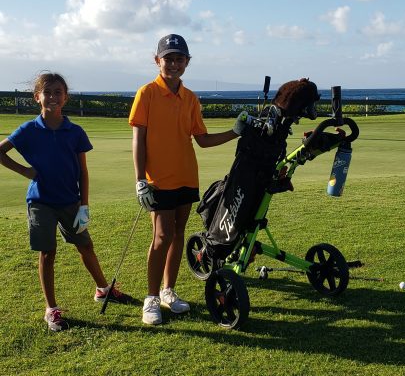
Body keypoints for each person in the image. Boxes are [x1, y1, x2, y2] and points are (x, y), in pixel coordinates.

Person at [0, 72, 132, 332]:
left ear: (66, 96)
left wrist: (84, 204)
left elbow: (83, 171)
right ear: (37, 97)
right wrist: (24, 171)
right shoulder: (28, 129)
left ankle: (103, 289)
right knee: (48, 252)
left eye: (58, 92)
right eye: (47, 92)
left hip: (70, 201)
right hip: (41, 201)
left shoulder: (75, 131)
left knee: (86, 246)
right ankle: (51, 309)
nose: (52, 97)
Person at [129, 34, 246, 325]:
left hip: (185, 176)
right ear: (157, 61)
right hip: (157, 180)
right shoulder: (146, 93)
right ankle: (151, 298)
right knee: (161, 237)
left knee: (178, 234)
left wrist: (235, 131)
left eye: (179, 59)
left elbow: (202, 140)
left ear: (187, 63)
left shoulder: (190, 98)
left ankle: (169, 291)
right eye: (168, 58)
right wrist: (140, 179)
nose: (173, 63)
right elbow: (138, 140)